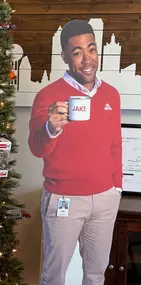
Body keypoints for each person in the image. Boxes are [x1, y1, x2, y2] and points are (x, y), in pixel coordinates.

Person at [28, 20, 122, 285]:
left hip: (105, 199)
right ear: (65, 57)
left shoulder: (111, 95)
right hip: (64, 199)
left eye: (91, 49)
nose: (87, 58)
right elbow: (36, 148)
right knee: (55, 275)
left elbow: (115, 144)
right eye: (78, 52)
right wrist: (50, 128)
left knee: (95, 274)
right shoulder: (48, 95)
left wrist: (116, 187)